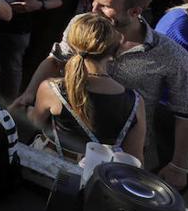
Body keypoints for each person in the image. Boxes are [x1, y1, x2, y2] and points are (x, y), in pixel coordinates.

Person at [18, 0, 188, 186]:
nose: (93, 10)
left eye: (104, 6)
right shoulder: (82, 24)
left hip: (118, 158)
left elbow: (186, 112)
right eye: (93, 2)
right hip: (61, 140)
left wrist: (179, 166)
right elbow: (55, 61)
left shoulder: (171, 55)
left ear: (135, 12)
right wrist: (29, 93)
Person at [29, 12, 145, 163]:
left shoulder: (51, 88)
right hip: (96, 174)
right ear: (113, 51)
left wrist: (29, 110)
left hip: (49, 163)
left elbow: (34, 123)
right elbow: (134, 156)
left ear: (72, 44)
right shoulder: (135, 101)